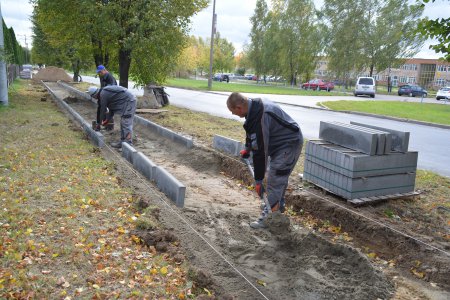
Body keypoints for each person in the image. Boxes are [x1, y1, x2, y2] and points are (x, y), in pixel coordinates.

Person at [227, 92, 303, 229]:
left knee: (275, 177)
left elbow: (261, 152)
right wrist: (248, 148)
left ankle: (269, 218)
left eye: (233, 111)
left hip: (289, 144)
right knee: (277, 177)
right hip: (280, 143)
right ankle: (277, 209)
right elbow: (251, 131)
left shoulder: (261, 116)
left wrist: (258, 180)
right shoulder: (253, 109)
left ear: (239, 107)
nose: (233, 114)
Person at [94, 65, 117, 130]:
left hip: (111, 95)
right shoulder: (105, 76)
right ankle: (102, 123)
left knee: (102, 108)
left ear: (104, 70)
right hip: (108, 95)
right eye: (99, 72)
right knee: (101, 107)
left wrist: (102, 92)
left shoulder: (109, 77)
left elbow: (111, 87)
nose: (100, 74)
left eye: (100, 72)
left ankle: (101, 124)